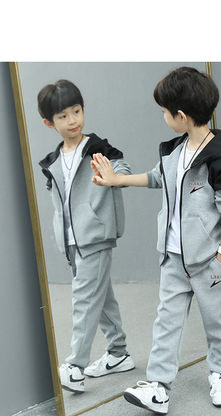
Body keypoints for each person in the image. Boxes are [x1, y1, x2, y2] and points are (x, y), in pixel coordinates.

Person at [91, 66, 221, 415]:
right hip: (174, 257)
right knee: (167, 321)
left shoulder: (220, 155)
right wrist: (116, 181)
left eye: (164, 111)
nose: (163, 117)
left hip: (209, 260)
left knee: (218, 320)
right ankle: (159, 387)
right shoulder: (176, 150)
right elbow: (158, 177)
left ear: (181, 115)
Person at [37, 79, 135, 394]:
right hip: (72, 243)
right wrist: (65, 242)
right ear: (49, 123)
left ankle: (75, 366)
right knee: (100, 297)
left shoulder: (97, 148)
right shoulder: (53, 162)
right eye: (63, 116)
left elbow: (121, 170)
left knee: (84, 300)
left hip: (95, 236)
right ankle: (118, 353)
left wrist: (114, 176)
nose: (73, 120)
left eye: (77, 111)